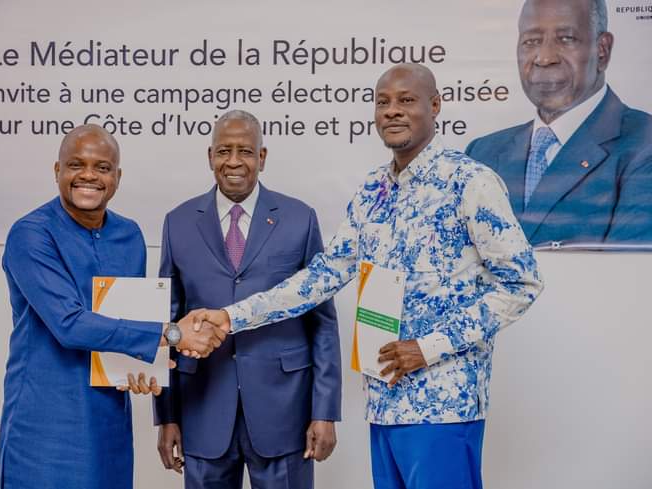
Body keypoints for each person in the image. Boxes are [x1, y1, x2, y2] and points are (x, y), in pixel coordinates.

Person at [190, 64, 544, 489]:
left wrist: (428, 348)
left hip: (442, 408)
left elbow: (521, 283)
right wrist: (231, 317)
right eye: (383, 102)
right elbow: (322, 276)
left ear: (435, 106)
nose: (392, 111)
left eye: (406, 100)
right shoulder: (374, 189)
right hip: (383, 403)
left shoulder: (470, 182)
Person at [0, 124, 224, 489]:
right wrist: (174, 333)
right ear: (58, 171)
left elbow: (130, 323)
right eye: (76, 165)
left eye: (102, 168)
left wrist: (142, 370)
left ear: (117, 177)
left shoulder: (129, 235)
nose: (89, 175)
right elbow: (69, 324)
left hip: (108, 420)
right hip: (45, 424)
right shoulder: (31, 234)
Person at [153, 110, 342, 489]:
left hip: (284, 413)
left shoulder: (299, 218)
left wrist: (325, 412)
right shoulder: (178, 222)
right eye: (224, 151)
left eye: (245, 151)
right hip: (203, 409)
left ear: (263, 156)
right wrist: (166, 416)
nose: (234, 162)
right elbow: (167, 323)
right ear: (210, 156)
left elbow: (322, 322)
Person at [466, 0, 652, 246]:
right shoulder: (482, 153)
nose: (544, 58)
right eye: (531, 41)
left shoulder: (644, 143)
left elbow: (626, 274)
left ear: (602, 50)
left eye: (566, 39)